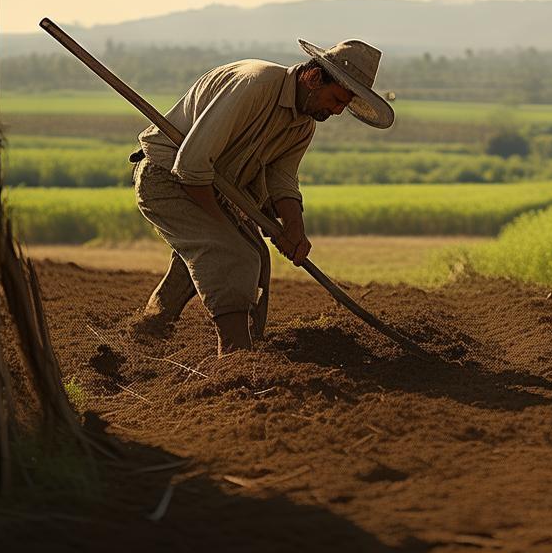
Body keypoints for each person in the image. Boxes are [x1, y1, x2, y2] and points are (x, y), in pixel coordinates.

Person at [128, 38, 394, 354]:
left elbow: (282, 179)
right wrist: (228, 226)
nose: (337, 111)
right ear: (312, 78)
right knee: (235, 254)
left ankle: (145, 334)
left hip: (211, 185)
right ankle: (236, 357)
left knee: (243, 255)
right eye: (336, 99)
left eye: (343, 105)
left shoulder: (303, 125)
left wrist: (294, 226)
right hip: (166, 177)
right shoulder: (255, 84)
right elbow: (192, 165)